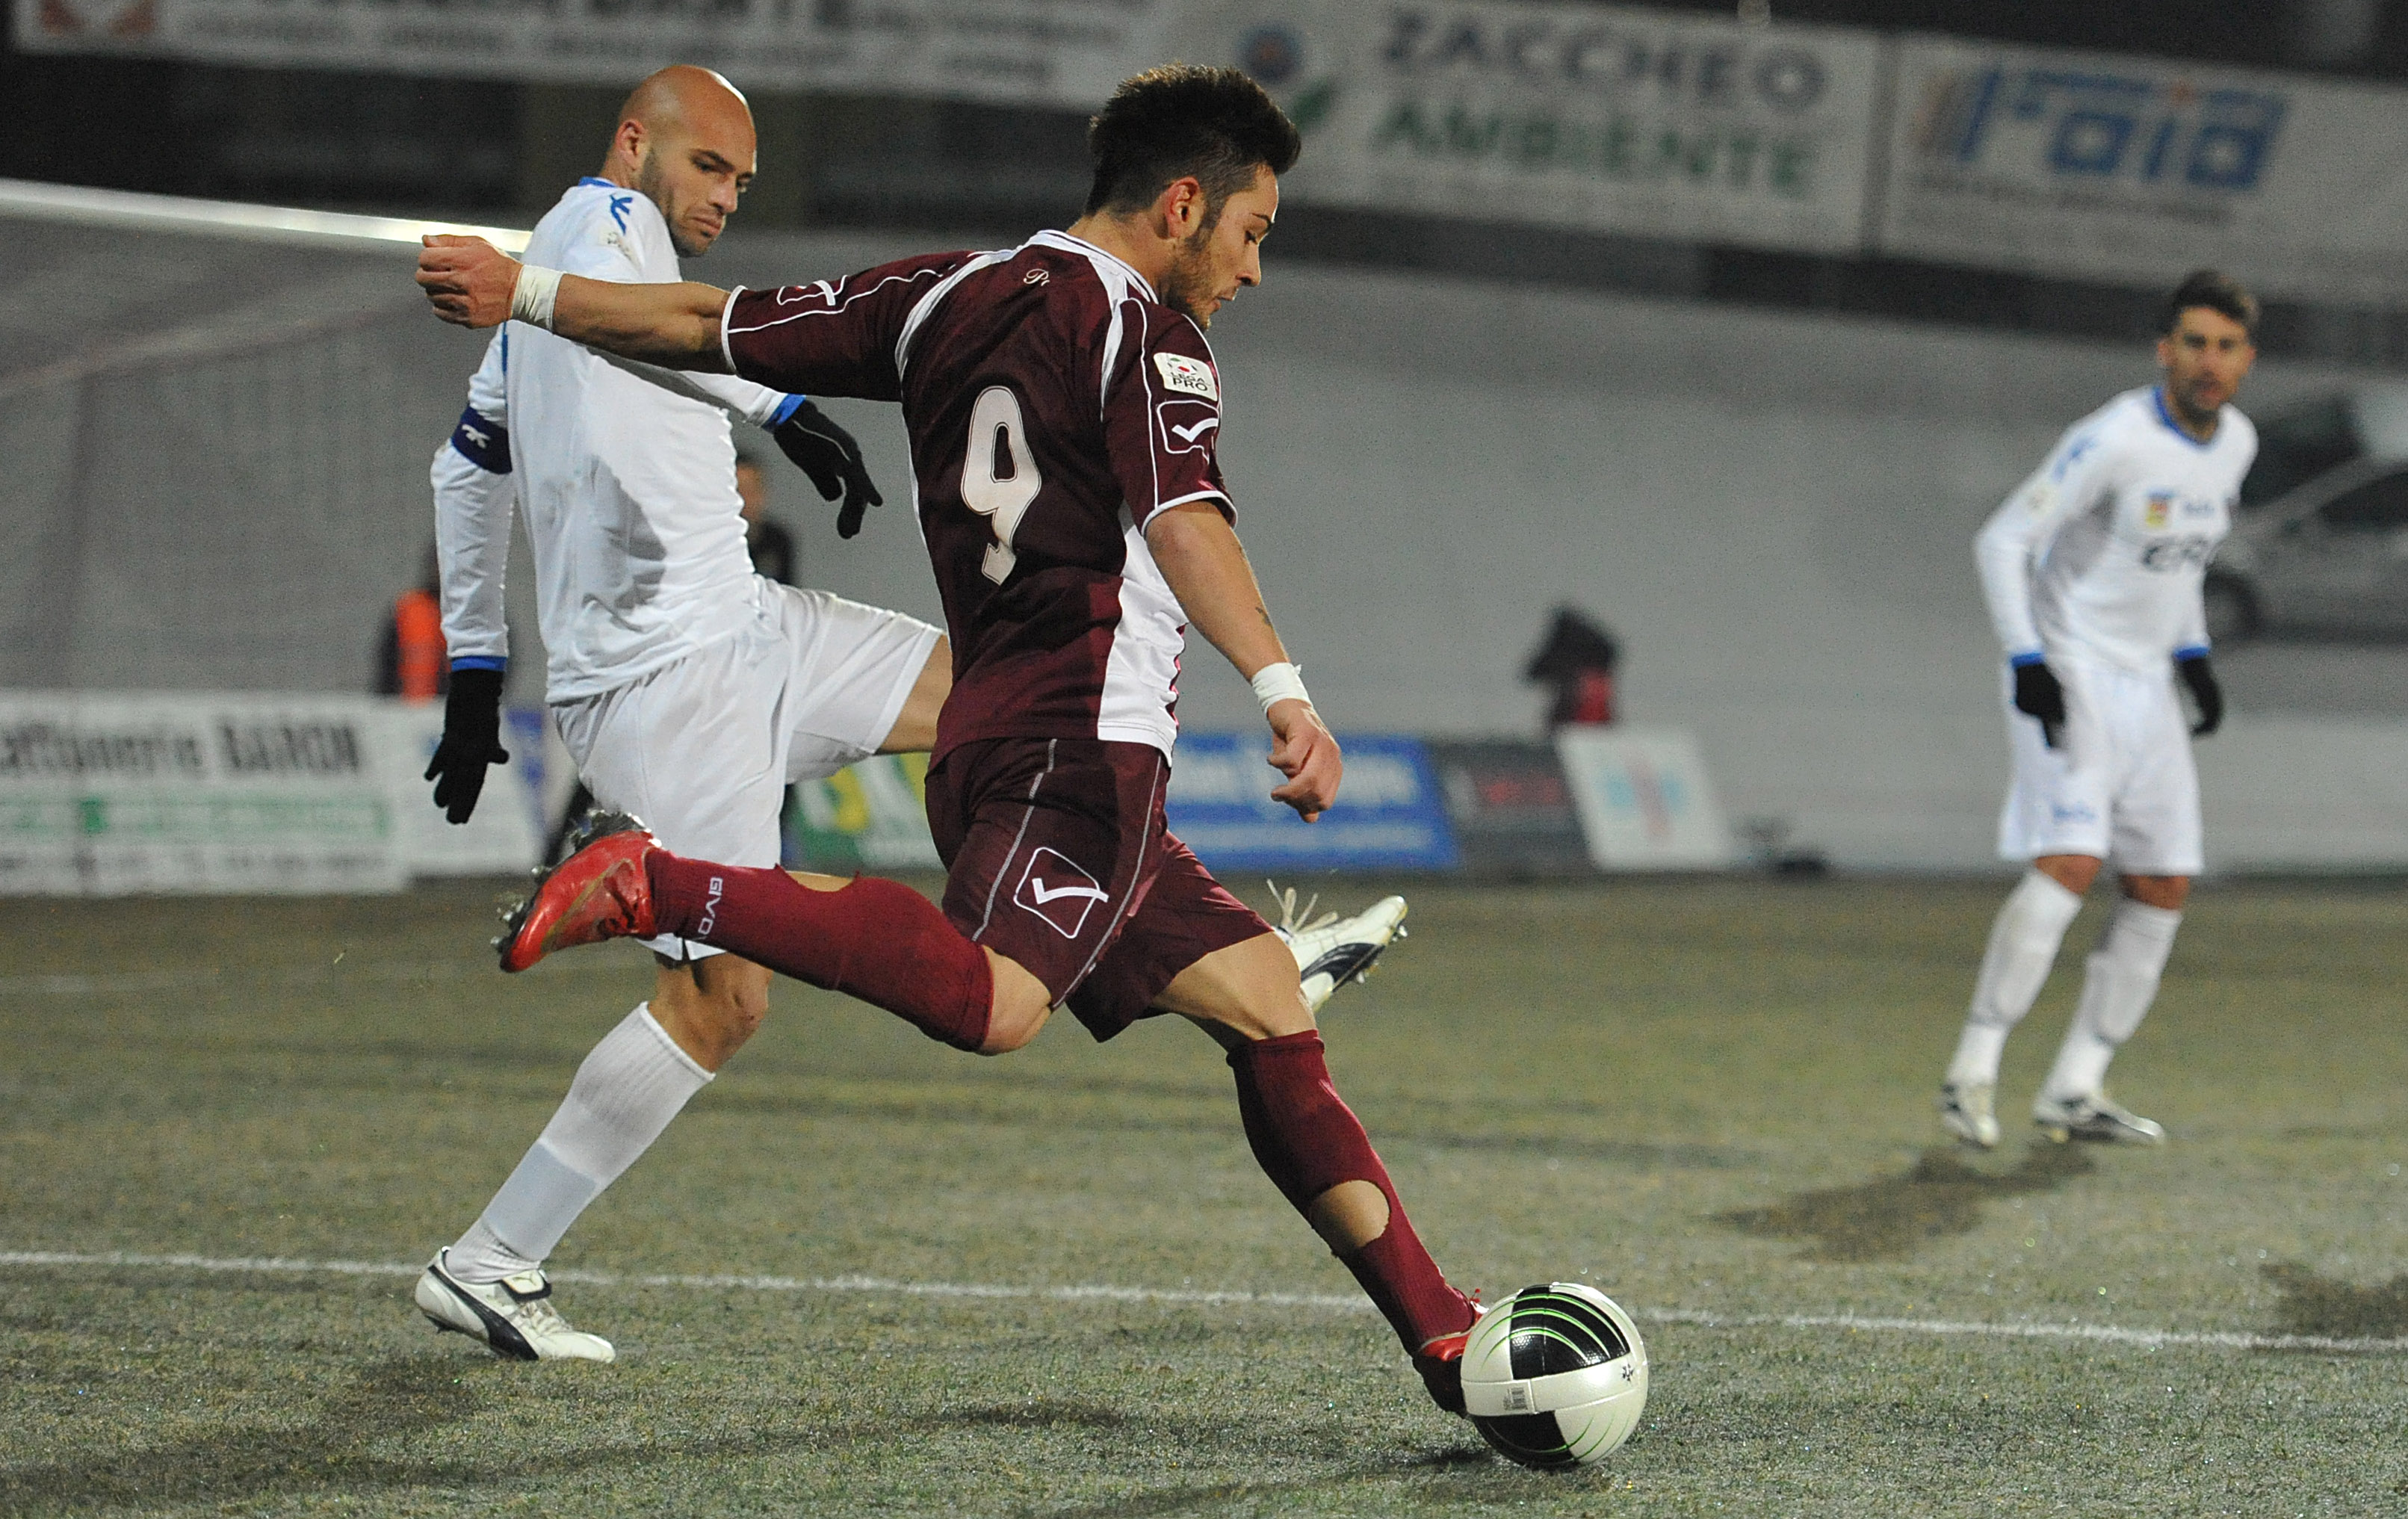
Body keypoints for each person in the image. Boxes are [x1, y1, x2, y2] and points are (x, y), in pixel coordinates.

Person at [415, 65, 1465, 1411]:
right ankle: (645, 905)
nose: (1254, 271)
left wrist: (541, 307)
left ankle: (1447, 1337)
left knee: (1264, 1004)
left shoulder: (936, 293)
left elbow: (698, 323)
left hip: (947, 700)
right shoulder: (1147, 335)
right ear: (1183, 204)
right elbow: (1187, 521)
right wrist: (1281, 683)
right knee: (963, 1002)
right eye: (1253, 234)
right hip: (1028, 736)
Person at [409, 65, 957, 1364]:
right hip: (670, 688)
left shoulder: (585, 268)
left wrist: (479, 672)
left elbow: (466, 462)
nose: (724, 197)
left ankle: (1117, 930)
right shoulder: (595, 229)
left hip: (749, 633)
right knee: (724, 1002)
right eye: (709, 167)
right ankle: (490, 1259)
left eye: (743, 183)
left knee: (999, 693)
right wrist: (782, 401)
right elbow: (651, 321)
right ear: (634, 141)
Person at [1937, 270, 2258, 1149]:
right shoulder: (2111, 438)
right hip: (2070, 669)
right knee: (2071, 861)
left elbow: (2180, 564)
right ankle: (1972, 1068)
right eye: (2193, 342)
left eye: (2225, 346)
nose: (2208, 361)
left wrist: (2192, 656)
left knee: (2160, 883)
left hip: (2148, 684)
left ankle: (2075, 1087)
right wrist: (2028, 661)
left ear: (2246, 359)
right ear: (2165, 350)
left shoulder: (2235, 444)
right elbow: (2003, 538)